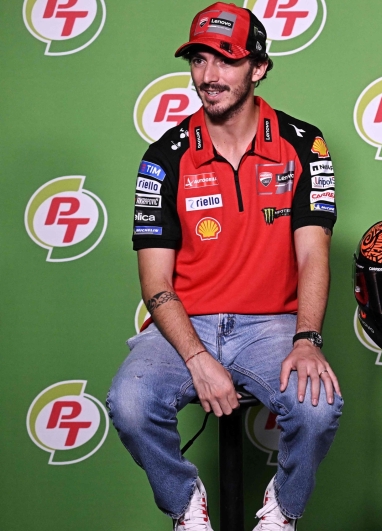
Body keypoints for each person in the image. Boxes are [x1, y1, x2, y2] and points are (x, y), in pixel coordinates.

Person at [107, 4, 342, 530]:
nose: (208, 77)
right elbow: (156, 283)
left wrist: (307, 337)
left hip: (273, 326)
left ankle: (282, 509)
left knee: (318, 407)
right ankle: (185, 504)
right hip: (184, 326)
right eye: (198, 60)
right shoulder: (164, 156)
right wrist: (195, 358)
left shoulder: (305, 144)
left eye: (225, 61)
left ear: (257, 68)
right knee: (129, 400)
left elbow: (312, 253)